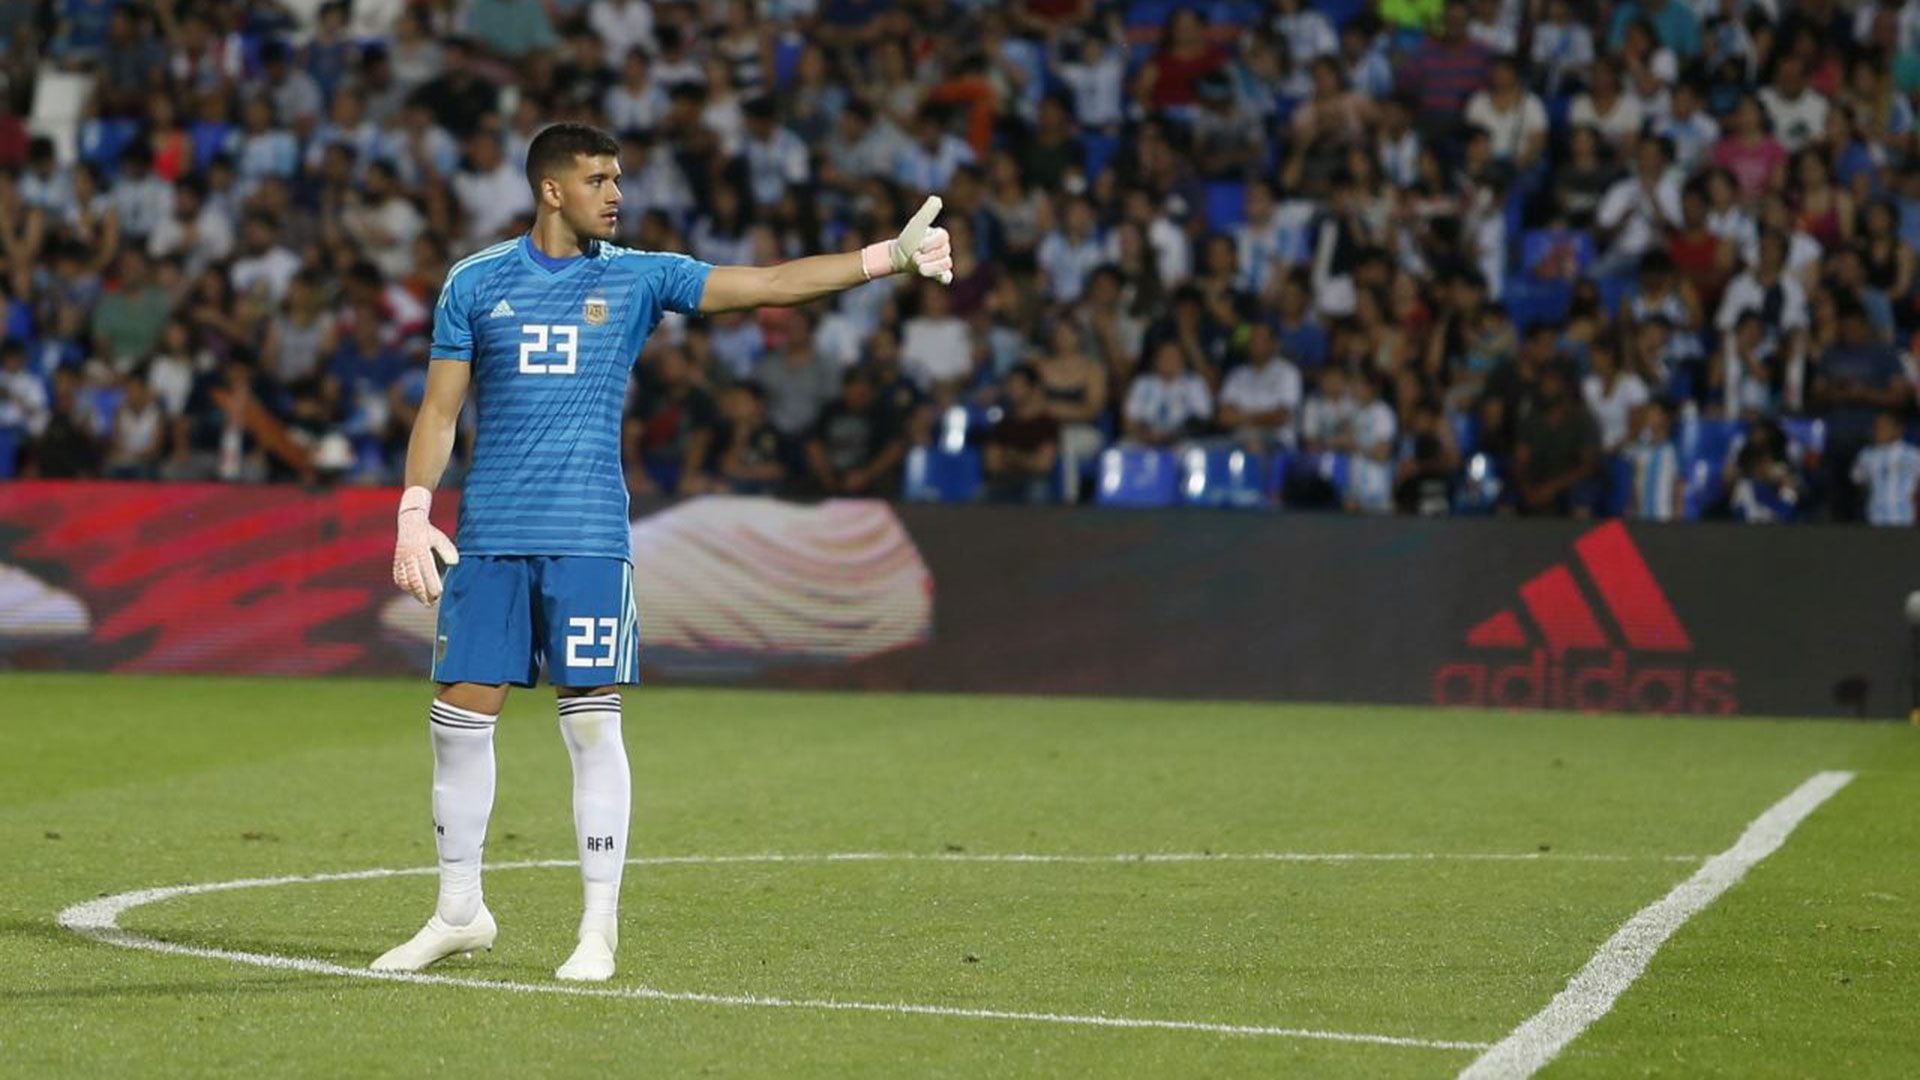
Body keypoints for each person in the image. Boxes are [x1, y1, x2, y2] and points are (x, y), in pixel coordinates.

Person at [379, 123, 952, 982]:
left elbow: (767, 284)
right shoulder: (476, 281)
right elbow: (437, 412)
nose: (616, 193)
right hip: (491, 539)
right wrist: (414, 510)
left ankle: (597, 931)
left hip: (588, 541)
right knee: (458, 726)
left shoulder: (642, 276)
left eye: (619, 178)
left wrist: (886, 259)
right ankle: (459, 912)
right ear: (551, 190)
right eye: (599, 179)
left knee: (592, 725)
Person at [983, 365, 1060, 504]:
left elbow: (1043, 465)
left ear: (1033, 388)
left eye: (1018, 385)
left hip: (1032, 483)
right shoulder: (1003, 425)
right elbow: (992, 463)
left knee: (1037, 491)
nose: (1012, 390)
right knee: (980, 494)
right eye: (1010, 384)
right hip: (1003, 482)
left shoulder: (1047, 424)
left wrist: (1012, 457)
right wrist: (1027, 460)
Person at [1850, 411, 1920, 527]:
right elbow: (1858, 482)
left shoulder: (1913, 455)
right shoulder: (1866, 455)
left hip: (1904, 517)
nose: (1877, 432)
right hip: (1875, 517)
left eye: (1883, 428)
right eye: (1875, 428)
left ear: (1898, 430)